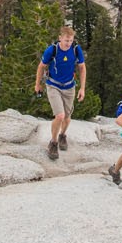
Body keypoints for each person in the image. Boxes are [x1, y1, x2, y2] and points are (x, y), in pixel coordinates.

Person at [34, 25, 86, 160]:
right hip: (53, 85)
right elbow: (41, 66)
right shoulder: (52, 50)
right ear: (60, 38)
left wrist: (82, 88)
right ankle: (53, 142)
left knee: (68, 117)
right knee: (60, 116)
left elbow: (82, 67)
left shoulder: (76, 50)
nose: (68, 43)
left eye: (70, 41)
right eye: (66, 40)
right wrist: (37, 84)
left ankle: (63, 135)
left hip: (69, 86)